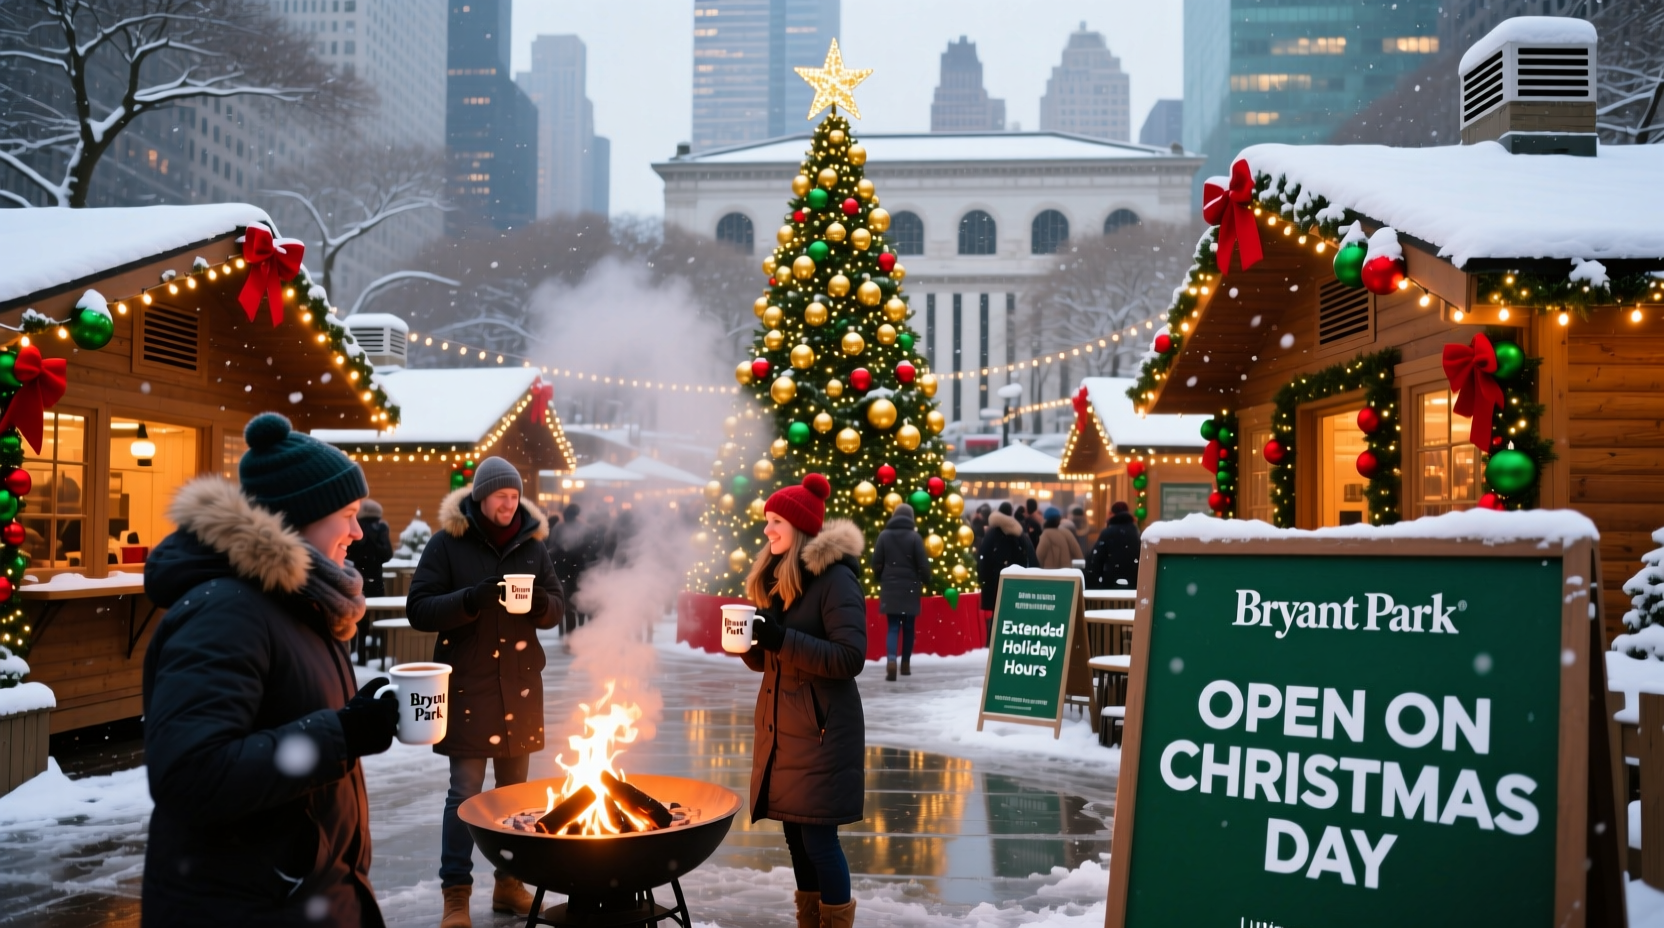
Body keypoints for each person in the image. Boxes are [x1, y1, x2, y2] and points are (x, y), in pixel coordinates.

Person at [141, 412, 397, 927]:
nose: (357, 531)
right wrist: (341, 734)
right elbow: (190, 775)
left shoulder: (299, 602)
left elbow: (285, 713)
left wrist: (354, 716)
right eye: (346, 515)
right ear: (298, 518)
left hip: (304, 896)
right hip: (249, 906)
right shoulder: (228, 611)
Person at [408, 457, 565, 928]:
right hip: (468, 689)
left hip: (519, 688)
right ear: (480, 496)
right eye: (501, 495)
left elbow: (557, 604)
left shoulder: (532, 546)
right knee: (464, 795)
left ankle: (508, 884)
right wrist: (471, 600)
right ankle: (455, 894)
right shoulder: (447, 544)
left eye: (515, 495)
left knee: (514, 798)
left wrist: (540, 605)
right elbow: (420, 609)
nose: (509, 502)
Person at [739, 474, 865, 928]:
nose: (768, 530)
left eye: (776, 522)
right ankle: (809, 922)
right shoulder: (780, 578)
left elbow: (850, 657)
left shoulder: (835, 581)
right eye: (767, 521)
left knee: (819, 840)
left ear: (801, 528)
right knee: (797, 836)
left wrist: (781, 637)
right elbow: (777, 659)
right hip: (786, 729)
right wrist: (754, 645)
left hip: (821, 731)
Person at [871, 502, 930, 682]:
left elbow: (876, 563)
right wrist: (926, 580)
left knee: (893, 627)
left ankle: (891, 661)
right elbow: (922, 564)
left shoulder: (883, 536)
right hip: (910, 588)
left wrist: (881, 578)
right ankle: (905, 663)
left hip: (891, 587)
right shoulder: (915, 537)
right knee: (909, 627)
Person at [977, 502, 1036, 639]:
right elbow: (1026, 558)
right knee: (1011, 615)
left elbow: (983, 559)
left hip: (994, 581)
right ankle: (1010, 640)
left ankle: (994, 641)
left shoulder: (991, 534)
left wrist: (983, 581)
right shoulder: (1018, 534)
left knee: (996, 615)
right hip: (1015, 583)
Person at [1086, 501, 1142, 590]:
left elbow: (1096, 560)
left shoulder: (1107, 533)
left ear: (1111, 514)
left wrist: (1093, 583)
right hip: (1134, 584)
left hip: (1110, 583)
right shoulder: (1136, 533)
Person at [346, 498, 394, 597]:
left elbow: (348, 554)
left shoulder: (354, 528)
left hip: (355, 578)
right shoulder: (381, 528)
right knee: (377, 608)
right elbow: (387, 554)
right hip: (376, 578)